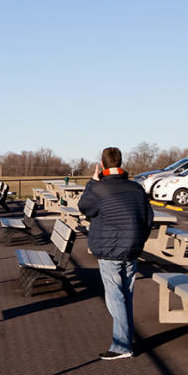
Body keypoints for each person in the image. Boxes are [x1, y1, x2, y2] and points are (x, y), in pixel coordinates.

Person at [77, 146, 153, 360]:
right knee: (126, 296)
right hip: (133, 248)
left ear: (102, 165)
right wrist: (139, 240)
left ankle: (122, 345)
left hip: (110, 250)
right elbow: (148, 218)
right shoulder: (136, 188)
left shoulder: (99, 189)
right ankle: (125, 340)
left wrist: (92, 181)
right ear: (120, 163)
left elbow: (84, 207)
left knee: (115, 298)